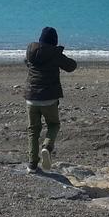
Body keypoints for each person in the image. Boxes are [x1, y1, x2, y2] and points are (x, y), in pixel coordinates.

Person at [24, 26, 77, 172]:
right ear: (54, 41)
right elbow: (72, 66)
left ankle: (32, 164)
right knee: (53, 124)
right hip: (49, 98)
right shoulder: (55, 54)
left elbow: (26, 62)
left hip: (31, 97)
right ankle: (47, 146)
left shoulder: (31, 50)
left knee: (33, 130)